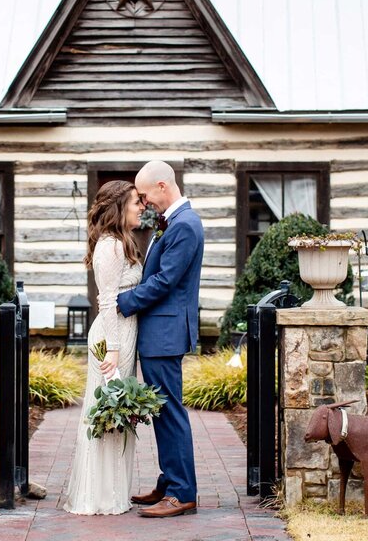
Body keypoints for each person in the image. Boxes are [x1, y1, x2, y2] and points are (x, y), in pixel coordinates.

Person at [117, 160, 204, 518]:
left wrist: (124, 302)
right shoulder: (173, 222)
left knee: (170, 412)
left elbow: (166, 281)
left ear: (163, 187)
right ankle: (169, 483)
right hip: (159, 332)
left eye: (145, 194)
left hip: (165, 333)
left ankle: (182, 492)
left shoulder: (184, 225)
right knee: (163, 411)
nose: (144, 201)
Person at [61, 180, 144, 515]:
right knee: (107, 415)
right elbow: (107, 301)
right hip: (112, 340)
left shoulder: (123, 242)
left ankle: (113, 493)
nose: (141, 207)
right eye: (136, 202)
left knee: (117, 417)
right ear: (118, 207)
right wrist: (112, 349)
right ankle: (99, 496)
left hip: (123, 336)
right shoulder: (109, 246)